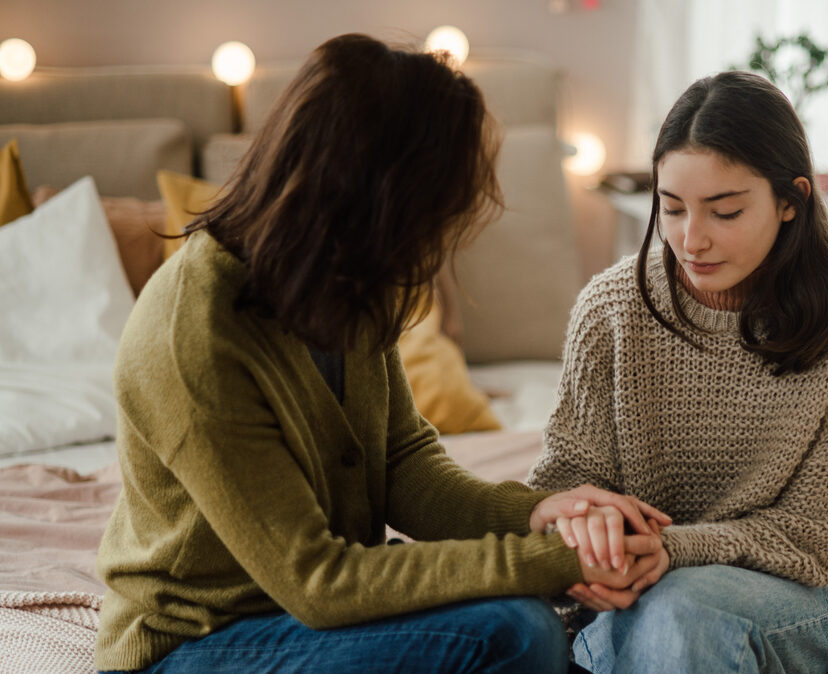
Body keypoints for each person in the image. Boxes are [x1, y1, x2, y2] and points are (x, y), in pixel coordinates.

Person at [93, 34, 670, 674]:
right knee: (512, 633)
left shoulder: (349, 285)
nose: (438, 239)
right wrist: (551, 561)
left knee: (534, 625)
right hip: (196, 641)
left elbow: (403, 466)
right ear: (373, 197)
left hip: (309, 617)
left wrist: (534, 513)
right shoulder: (194, 333)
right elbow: (319, 580)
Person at [527, 70, 828, 674]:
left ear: (790, 200)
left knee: (681, 610)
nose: (690, 239)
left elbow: (819, 538)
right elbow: (565, 486)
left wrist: (674, 550)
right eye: (671, 209)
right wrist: (589, 534)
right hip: (631, 584)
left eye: (724, 212)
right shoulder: (611, 309)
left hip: (784, 593)